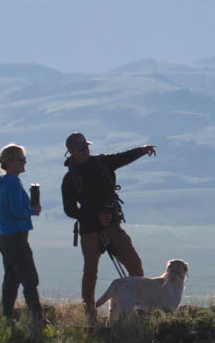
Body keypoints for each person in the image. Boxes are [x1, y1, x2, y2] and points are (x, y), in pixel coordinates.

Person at [60, 131, 157, 324]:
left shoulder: (102, 163)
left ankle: (133, 311)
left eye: (86, 147)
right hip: (89, 230)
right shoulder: (69, 179)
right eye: (81, 149)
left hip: (112, 226)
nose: (86, 151)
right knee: (90, 273)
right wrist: (94, 216)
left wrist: (142, 150)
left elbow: (123, 158)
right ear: (71, 152)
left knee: (135, 266)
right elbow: (70, 210)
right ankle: (90, 315)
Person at [0, 143, 45, 327]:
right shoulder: (12, 182)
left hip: (4, 236)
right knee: (29, 278)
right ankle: (38, 319)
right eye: (21, 159)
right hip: (15, 236)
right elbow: (16, 211)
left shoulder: (1, 183)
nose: (24, 163)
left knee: (11, 278)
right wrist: (32, 209)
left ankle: (7, 316)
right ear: (11, 162)